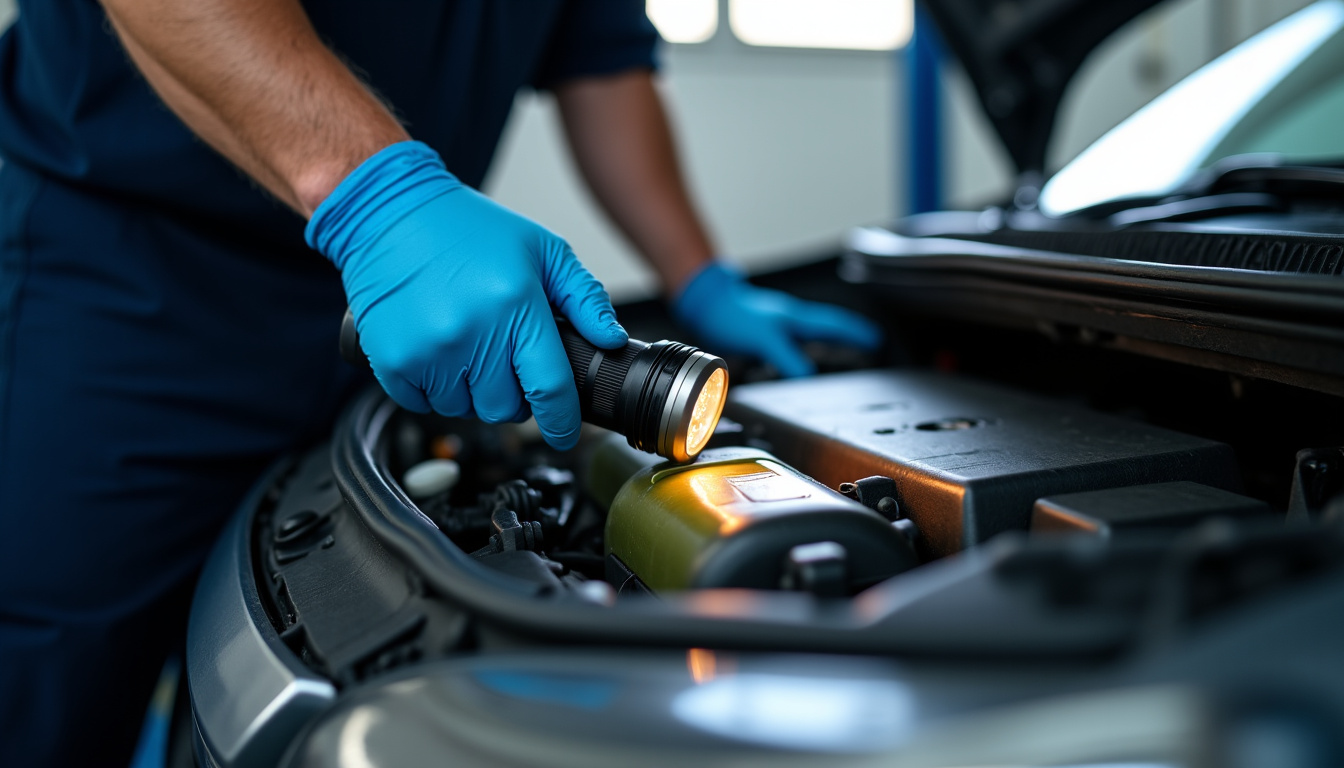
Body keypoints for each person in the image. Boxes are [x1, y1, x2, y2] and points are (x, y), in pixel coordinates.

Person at [0, 1, 881, 764]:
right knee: (44, 697)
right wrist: (380, 199)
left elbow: (604, 63)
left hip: (389, 322)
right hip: (123, 294)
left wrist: (699, 277)